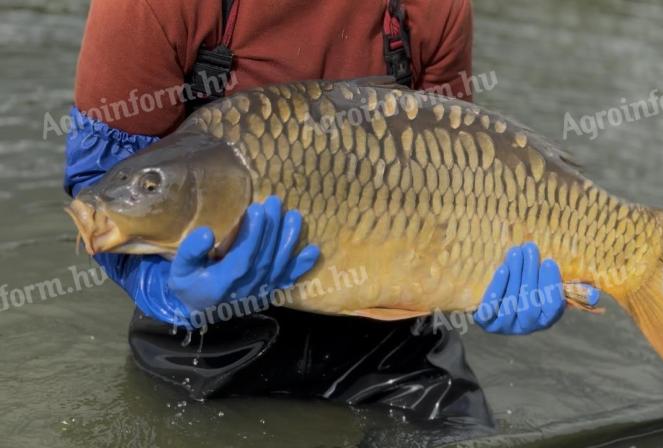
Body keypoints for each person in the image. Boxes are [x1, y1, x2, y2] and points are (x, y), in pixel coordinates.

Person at [64, 0, 600, 433]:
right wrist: (174, 291)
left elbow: (465, 171)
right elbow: (103, 194)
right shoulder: (151, 6)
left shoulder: (433, 9)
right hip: (205, 351)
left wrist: (495, 280)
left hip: (391, 350)